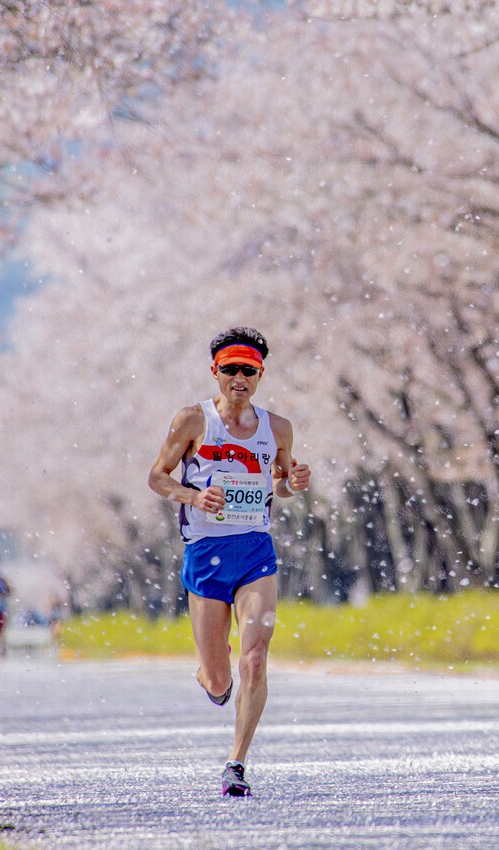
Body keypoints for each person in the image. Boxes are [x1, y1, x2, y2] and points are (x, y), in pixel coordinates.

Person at [148, 327, 311, 798]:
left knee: (255, 658)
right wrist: (193, 496)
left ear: (260, 374)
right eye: (230, 369)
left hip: (255, 550)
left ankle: (236, 762)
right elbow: (157, 477)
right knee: (220, 679)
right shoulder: (191, 421)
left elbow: (279, 484)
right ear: (214, 371)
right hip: (205, 553)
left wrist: (292, 481)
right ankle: (210, 680)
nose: (239, 378)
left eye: (249, 370)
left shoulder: (277, 427)